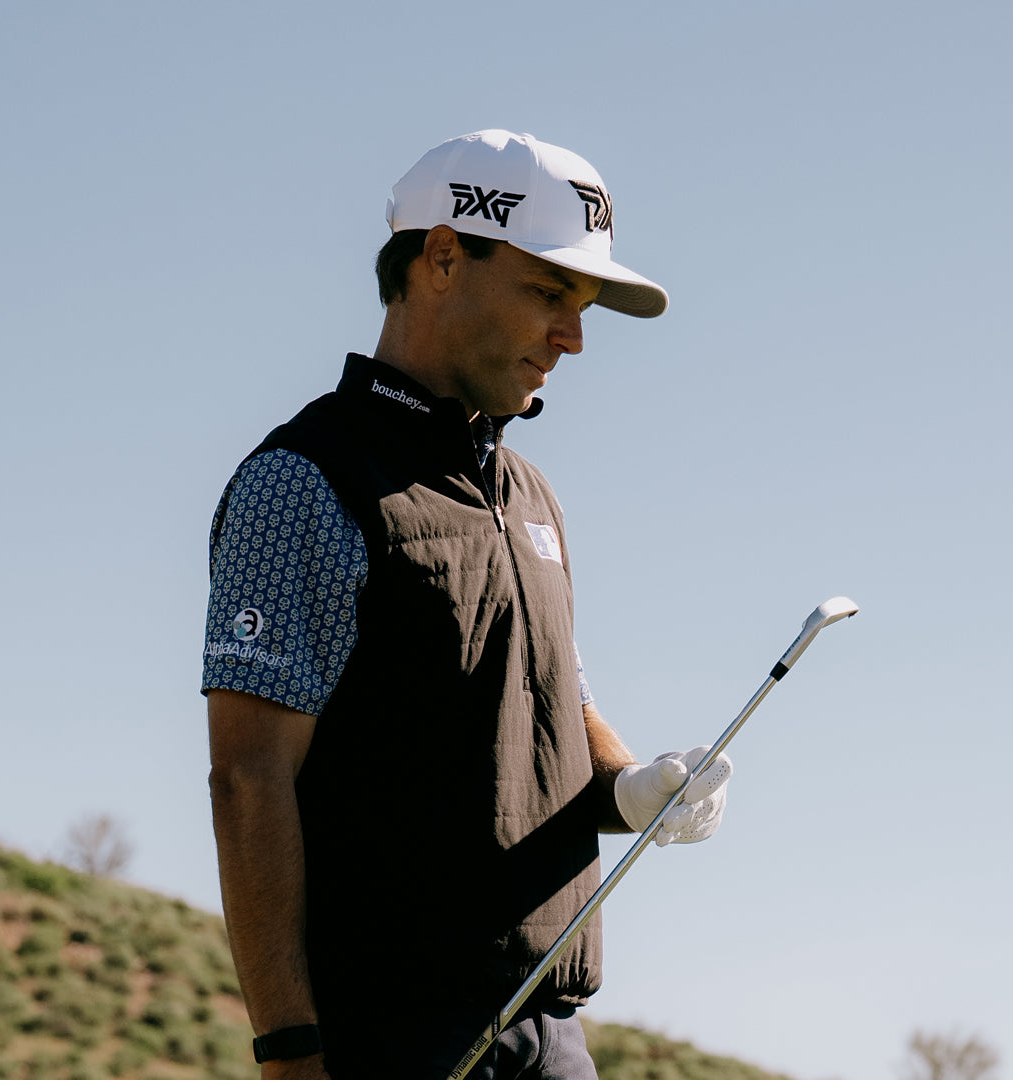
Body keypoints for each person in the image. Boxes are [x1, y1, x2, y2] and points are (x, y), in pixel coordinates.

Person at [202, 129, 733, 1080]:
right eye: (549, 294)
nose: (573, 338)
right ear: (443, 255)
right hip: (388, 1040)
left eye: (582, 307)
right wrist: (290, 1052)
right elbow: (249, 779)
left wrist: (634, 786)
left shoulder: (533, 497)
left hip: (549, 1030)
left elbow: (553, 718)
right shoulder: (304, 481)